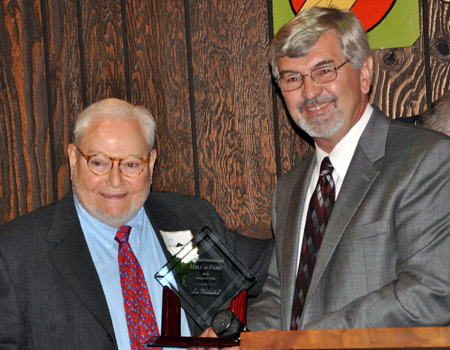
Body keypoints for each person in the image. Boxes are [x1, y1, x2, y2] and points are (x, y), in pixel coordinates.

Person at [199, 8, 450, 340]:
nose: (309, 92)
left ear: (364, 73)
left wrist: (308, 341)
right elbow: (280, 298)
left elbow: (431, 292)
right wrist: (239, 339)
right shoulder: (289, 189)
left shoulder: (427, 158)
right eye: (292, 78)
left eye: (324, 70)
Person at [0, 98, 273, 349]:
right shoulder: (16, 253)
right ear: (73, 159)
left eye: (131, 165)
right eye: (98, 163)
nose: (115, 181)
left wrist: (244, 336)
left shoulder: (192, 219)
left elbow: (280, 267)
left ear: (151, 163)